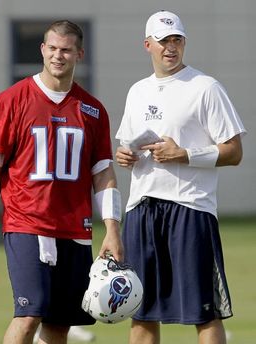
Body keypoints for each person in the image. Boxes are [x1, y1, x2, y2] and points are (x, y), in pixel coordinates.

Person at [0, 20, 124, 344]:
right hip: (28, 224)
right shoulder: (11, 101)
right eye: (52, 48)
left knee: (58, 325)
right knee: (29, 315)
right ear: (42, 49)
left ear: (79, 53)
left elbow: (103, 173)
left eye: (66, 50)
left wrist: (112, 229)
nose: (58, 56)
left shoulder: (92, 110)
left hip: (76, 230)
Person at [115, 10, 246, 344]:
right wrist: (125, 156)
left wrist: (184, 154)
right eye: (163, 41)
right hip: (141, 209)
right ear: (148, 45)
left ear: (184, 42)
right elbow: (127, 148)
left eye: (177, 40)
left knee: (204, 312)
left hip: (189, 209)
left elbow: (234, 152)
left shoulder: (206, 88)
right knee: (141, 312)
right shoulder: (137, 91)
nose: (170, 48)